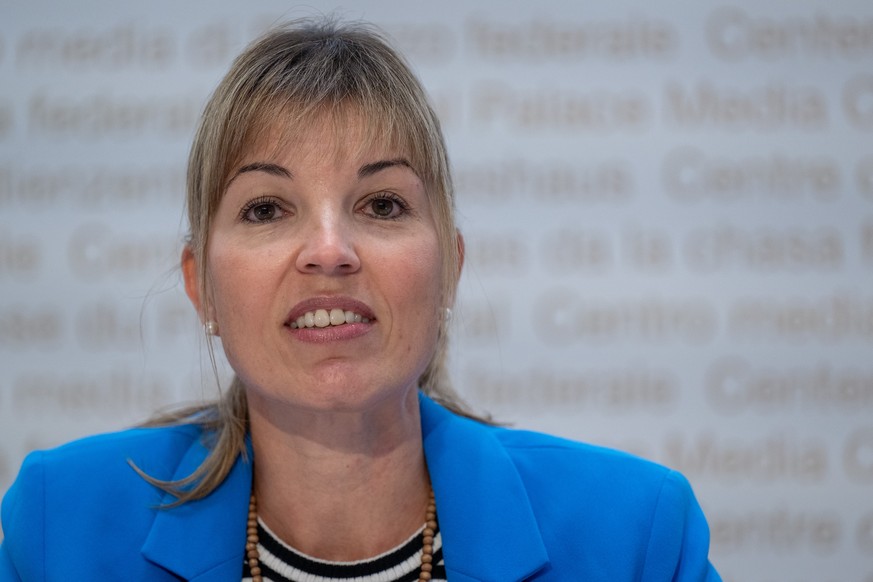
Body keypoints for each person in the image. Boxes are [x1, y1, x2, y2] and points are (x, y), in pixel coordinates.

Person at [0, 18, 721, 581]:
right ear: (201, 287)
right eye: (266, 209)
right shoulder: (58, 526)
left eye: (381, 205)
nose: (329, 249)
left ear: (450, 269)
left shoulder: (634, 536)